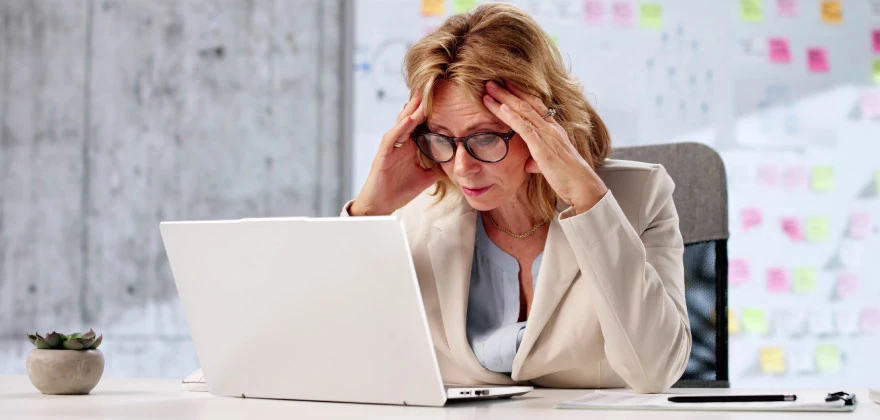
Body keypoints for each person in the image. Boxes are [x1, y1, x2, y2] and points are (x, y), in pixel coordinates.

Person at [343, 3, 690, 393]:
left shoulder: (639, 198)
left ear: (542, 121)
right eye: (441, 137)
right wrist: (368, 214)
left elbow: (654, 371)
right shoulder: (417, 214)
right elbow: (343, 358)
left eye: (486, 137)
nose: (461, 168)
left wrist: (586, 197)